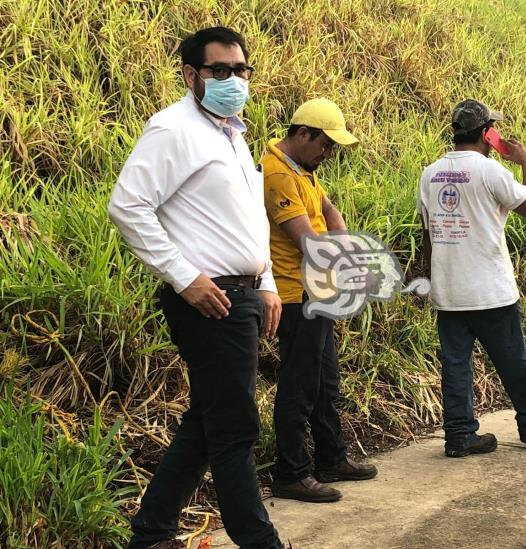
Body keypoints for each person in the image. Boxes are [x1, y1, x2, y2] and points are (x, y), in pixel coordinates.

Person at [108, 26, 283, 549]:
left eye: (241, 70)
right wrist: (185, 278)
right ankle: (260, 541)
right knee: (234, 429)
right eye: (220, 71)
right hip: (211, 302)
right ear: (191, 75)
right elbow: (128, 206)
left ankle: (152, 532)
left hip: (245, 295)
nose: (234, 80)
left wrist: (268, 282)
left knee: (208, 422)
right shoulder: (173, 129)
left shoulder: (234, 133)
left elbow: (249, 218)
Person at [418, 99, 526, 458]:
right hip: (490, 290)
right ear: (488, 133)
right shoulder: (490, 171)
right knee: (514, 360)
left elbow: (428, 233)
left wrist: (431, 276)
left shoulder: (430, 173)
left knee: (455, 367)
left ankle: (459, 436)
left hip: (449, 289)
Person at [261, 98, 378, 503]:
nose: (328, 155)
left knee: (325, 381)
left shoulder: (302, 169)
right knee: (299, 384)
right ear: (303, 133)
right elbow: (307, 242)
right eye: (326, 145)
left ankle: (331, 457)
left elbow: (329, 210)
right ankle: (290, 473)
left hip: (317, 290)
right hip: (295, 294)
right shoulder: (276, 173)